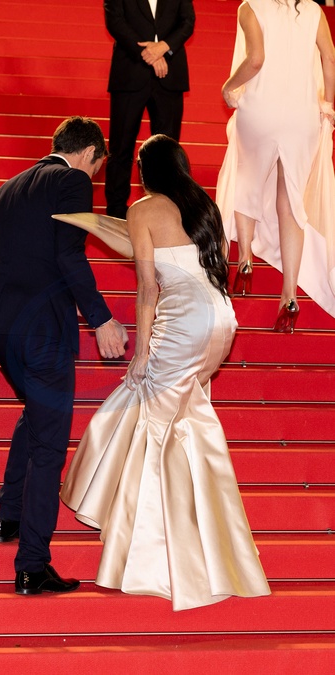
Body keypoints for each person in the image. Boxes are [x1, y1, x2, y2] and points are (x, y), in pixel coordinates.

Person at [61, 135, 271, 611]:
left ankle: (153, 547)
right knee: (185, 421)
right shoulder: (203, 205)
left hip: (184, 323)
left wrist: (141, 353)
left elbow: (147, 288)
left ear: (144, 170)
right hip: (221, 320)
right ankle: (207, 530)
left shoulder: (144, 209)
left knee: (150, 414)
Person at [0, 116, 128, 596]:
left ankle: (8, 516)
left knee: (37, 416)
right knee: (49, 445)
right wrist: (101, 319)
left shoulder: (6, 188)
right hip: (42, 330)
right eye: (98, 167)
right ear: (89, 154)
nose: (95, 177)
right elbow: (70, 254)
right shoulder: (71, 181)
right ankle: (32, 564)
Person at [216, 0, 335, 331]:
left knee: (248, 178)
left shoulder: (250, 7)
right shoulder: (313, 11)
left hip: (260, 111)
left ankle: (245, 259)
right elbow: (329, 58)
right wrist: (327, 104)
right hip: (302, 116)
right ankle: (289, 294)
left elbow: (255, 59)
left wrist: (229, 86)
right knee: (291, 199)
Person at [104, 0, 196, 218]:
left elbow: (187, 21)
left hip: (169, 75)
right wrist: (147, 53)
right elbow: (115, 20)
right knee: (121, 147)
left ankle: (165, 209)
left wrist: (164, 46)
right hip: (130, 72)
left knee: (167, 150)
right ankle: (116, 211)